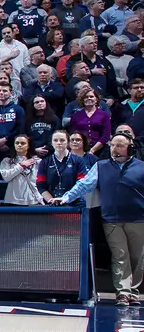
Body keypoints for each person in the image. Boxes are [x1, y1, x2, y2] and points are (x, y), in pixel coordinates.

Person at [52, 130, 144, 303]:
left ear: (129, 148)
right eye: (113, 145)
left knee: (137, 257)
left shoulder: (141, 166)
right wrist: (66, 197)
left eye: (120, 145)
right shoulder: (100, 166)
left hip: (138, 218)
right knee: (120, 255)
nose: (114, 149)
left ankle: (133, 291)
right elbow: (84, 185)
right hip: (111, 219)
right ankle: (123, 292)